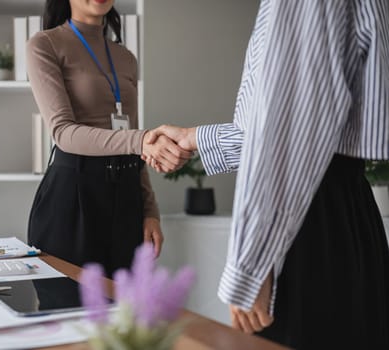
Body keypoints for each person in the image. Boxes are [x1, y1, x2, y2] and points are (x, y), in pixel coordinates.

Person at [145, 0, 389, 348]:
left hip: (307, 226)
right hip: (338, 211)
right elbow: (294, 128)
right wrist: (194, 137)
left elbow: (289, 140)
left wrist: (252, 267)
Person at [26, 0, 191, 277]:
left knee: (123, 313)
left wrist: (150, 210)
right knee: (67, 309)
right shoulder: (45, 44)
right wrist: (141, 140)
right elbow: (63, 133)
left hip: (127, 198)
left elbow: (136, 141)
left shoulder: (126, 58)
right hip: (74, 197)